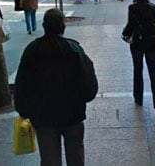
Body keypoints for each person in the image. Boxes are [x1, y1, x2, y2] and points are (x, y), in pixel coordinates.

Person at [15, 9, 98, 166]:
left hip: (43, 116)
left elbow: (22, 84)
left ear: (44, 26)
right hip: (72, 114)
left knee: (49, 159)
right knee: (76, 157)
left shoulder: (32, 50)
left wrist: (24, 110)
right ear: (63, 26)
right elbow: (89, 84)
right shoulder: (74, 50)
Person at [121, 0, 155, 118]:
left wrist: (125, 34)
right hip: (152, 44)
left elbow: (131, 24)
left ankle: (138, 97)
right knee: (153, 72)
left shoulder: (133, 8)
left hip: (138, 44)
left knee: (137, 70)